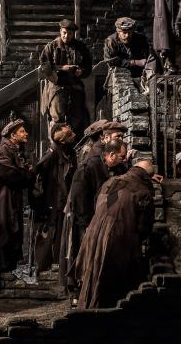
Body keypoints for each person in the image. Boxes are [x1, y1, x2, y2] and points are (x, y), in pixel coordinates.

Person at [75, 153, 156, 309]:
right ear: (147, 177)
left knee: (94, 271)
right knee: (110, 279)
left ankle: (89, 307)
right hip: (118, 234)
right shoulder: (142, 190)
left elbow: (102, 204)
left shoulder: (111, 181)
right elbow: (144, 226)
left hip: (94, 231)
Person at [58, 138, 127, 303]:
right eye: (121, 156)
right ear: (111, 155)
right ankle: (78, 292)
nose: (124, 160)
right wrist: (86, 224)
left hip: (105, 219)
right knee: (82, 253)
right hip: (85, 219)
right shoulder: (88, 168)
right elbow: (80, 199)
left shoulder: (118, 167)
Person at [0, 119, 34, 277]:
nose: (26, 134)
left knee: (11, 230)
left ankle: (8, 268)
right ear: (12, 135)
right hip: (1, 200)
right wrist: (28, 174)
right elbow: (9, 173)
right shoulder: (2, 150)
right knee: (3, 230)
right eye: (22, 131)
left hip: (10, 198)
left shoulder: (15, 150)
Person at [32, 122, 77, 273]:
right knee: (50, 233)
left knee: (60, 232)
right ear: (62, 141)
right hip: (53, 201)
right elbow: (37, 173)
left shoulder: (69, 152)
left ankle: (56, 263)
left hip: (63, 200)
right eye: (70, 134)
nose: (74, 135)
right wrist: (43, 199)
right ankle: (44, 265)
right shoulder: (52, 155)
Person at [40, 19, 93, 137]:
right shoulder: (51, 47)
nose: (66, 36)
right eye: (64, 33)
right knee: (57, 118)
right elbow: (45, 68)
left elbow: (88, 67)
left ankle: (73, 142)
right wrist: (62, 68)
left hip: (75, 86)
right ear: (60, 31)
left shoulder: (81, 47)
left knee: (77, 118)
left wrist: (81, 72)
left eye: (69, 33)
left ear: (73, 34)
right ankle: (57, 142)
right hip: (57, 87)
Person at [103, 17, 158, 84]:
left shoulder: (141, 40)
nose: (127, 35)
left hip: (139, 76)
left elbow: (147, 59)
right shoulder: (111, 41)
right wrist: (134, 62)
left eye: (129, 32)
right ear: (118, 31)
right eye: (124, 32)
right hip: (118, 76)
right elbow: (111, 62)